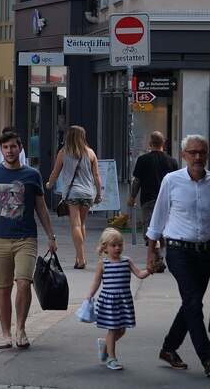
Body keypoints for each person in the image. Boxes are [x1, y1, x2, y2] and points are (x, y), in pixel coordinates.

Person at [0, 131, 59, 349]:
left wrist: (51, 236)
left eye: (13, 147)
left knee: (24, 284)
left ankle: (21, 328)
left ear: (20, 148)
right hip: (0, 239)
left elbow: (41, 208)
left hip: (26, 238)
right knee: (4, 288)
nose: (9, 151)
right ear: (1, 150)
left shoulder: (32, 175)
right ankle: (5, 334)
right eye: (5, 147)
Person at [145, 134, 210, 374]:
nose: (197, 157)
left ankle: (169, 348)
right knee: (193, 302)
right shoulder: (171, 181)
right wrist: (151, 252)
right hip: (178, 250)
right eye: (192, 153)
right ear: (183, 156)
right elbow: (158, 216)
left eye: (201, 152)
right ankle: (207, 358)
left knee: (190, 303)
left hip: (205, 251)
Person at [88, 228, 151, 370]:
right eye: (113, 245)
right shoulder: (103, 264)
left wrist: (149, 271)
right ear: (105, 247)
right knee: (113, 329)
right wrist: (90, 294)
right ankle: (112, 358)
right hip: (109, 302)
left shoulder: (127, 261)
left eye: (120, 245)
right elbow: (96, 282)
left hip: (123, 301)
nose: (117, 248)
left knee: (121, 330)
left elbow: (139, 274)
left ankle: (104, 344)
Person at [45, 125, 102, 269]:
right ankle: (79, 256)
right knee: (82, 225)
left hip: (73, 193)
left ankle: (81, 258)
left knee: (75, 225)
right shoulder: (90, 153)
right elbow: (96, 175)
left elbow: (55, 172)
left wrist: (49, 184)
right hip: (88, 193)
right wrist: (99, 194)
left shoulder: (64, 152)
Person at [127, 131, 178, 273]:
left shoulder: (143, 160)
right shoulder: (172, 161)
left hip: (148, 200)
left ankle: (159, 257)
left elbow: (137, 181)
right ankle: (157, 258)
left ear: (150, 144)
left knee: (150, 230)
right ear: (164, 144)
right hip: (167, 201)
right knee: (161, 230)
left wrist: (132, 197)